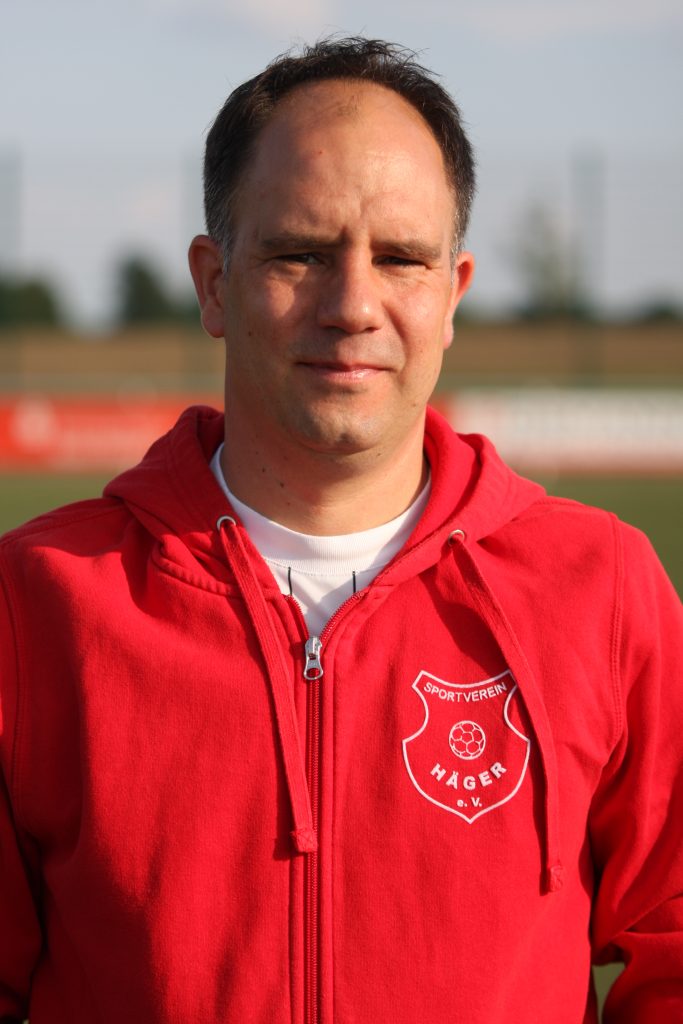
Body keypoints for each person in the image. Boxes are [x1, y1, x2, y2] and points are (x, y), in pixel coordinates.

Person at [0, 37, 681, 1024]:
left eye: (400, 258)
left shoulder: (601, 586)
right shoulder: (35, 601)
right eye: (299, 254)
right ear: (213, 284)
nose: (353, 305)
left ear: (451, 295)